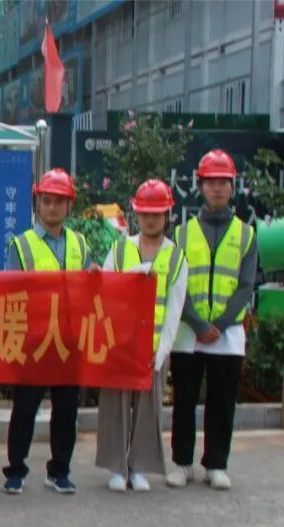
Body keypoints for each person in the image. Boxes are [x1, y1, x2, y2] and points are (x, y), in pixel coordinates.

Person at [167, 149, 257, 491]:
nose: (216, 188)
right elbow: (175, 283)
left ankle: (216, 464)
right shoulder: (182, 233)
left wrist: (220, 323)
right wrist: (198, 323)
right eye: (210, 182)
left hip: (227, 334)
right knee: (184, 401)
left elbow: (246, 285)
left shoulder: (246, 234)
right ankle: (182, 463)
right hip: (189, 332)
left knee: (222, 402)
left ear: (232, 187)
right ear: (201, 186)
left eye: (222, 182)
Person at [2, 168, 94, 495]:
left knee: (66, 411)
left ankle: (59, 471)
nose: (52, 207)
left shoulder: (80, 244)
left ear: (69, 206)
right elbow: (12, 293)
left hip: (69, 340)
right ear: (37, 204)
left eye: (59, 201)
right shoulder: (21, 244)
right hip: (34, 341)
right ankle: (16, 470)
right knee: (24, 409)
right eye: (46, 201)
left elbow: (90, 287)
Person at [96, 179, 188, 492]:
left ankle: (139, 468)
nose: (151, 219)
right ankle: (116, 468)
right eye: (145, 213)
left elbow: (174, 310)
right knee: (115, 407)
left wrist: (161, 353)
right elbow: (104, 293)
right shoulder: (120, 249)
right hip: (120, 346)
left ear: (167, 215)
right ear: (137, 215)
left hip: (153, 349)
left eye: (157, 213)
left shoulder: (176, 257)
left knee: (149, 411)